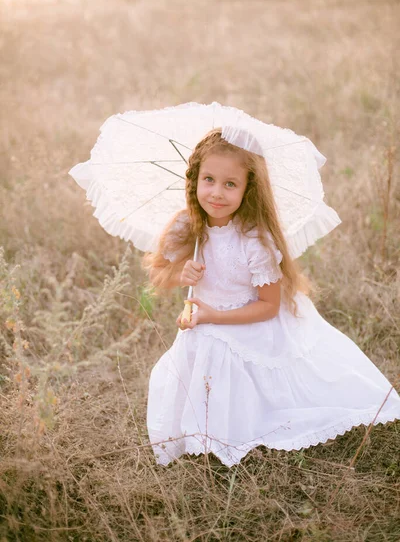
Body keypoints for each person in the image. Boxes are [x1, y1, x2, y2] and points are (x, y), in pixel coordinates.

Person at [144, 128, 400, 467]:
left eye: (230, 184)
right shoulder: (185, 226)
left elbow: (268, 307)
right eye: (208, 179)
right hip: (205, 321)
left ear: (248, 189)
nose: (216, 193)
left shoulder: (254, 239)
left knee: (254, 379)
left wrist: (211, 317)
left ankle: (249, 427)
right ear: (194, 181)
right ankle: (206, 434)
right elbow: (158, 274)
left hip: (252, 323)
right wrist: (180, 276)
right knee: (200, 358)